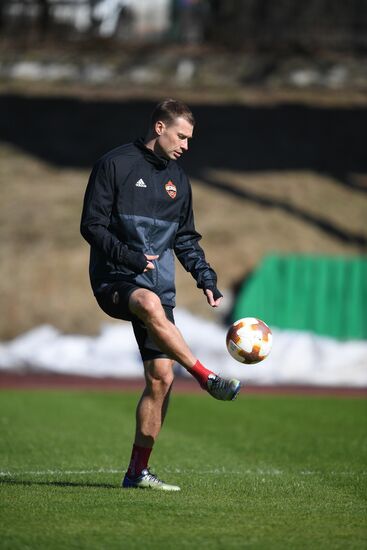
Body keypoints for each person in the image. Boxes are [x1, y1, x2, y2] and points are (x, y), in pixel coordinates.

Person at [80, 98, 241, 492]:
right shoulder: (114, 165)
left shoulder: (179, 180)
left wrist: (205, 276)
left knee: (161, 378)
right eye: (181, 136)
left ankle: (137, 473)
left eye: (189, 138)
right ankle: (205, 376)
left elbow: (185, 238)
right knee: (148, 304)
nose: (186, 145)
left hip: (158, 285)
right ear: (159, 128)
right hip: (115, 278)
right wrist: (131, 257)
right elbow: (92, 226)